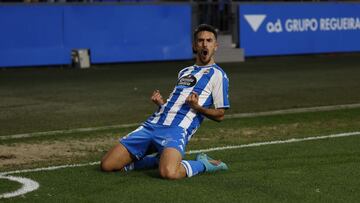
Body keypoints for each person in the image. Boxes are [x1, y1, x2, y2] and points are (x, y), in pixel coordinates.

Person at [101, 24, 230, 180]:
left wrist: (198, 107)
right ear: (194, 46)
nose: (204, 44)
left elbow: (220, 114)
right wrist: (161, 104)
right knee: (107, 165)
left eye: (209, 41)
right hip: (153, 124)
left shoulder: (218, 75)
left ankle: (204, 164)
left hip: (176, 129)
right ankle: (156, 160)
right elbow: (176, 103)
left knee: (169, 173)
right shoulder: (184, 72)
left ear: (215, 46)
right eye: (200, 40)